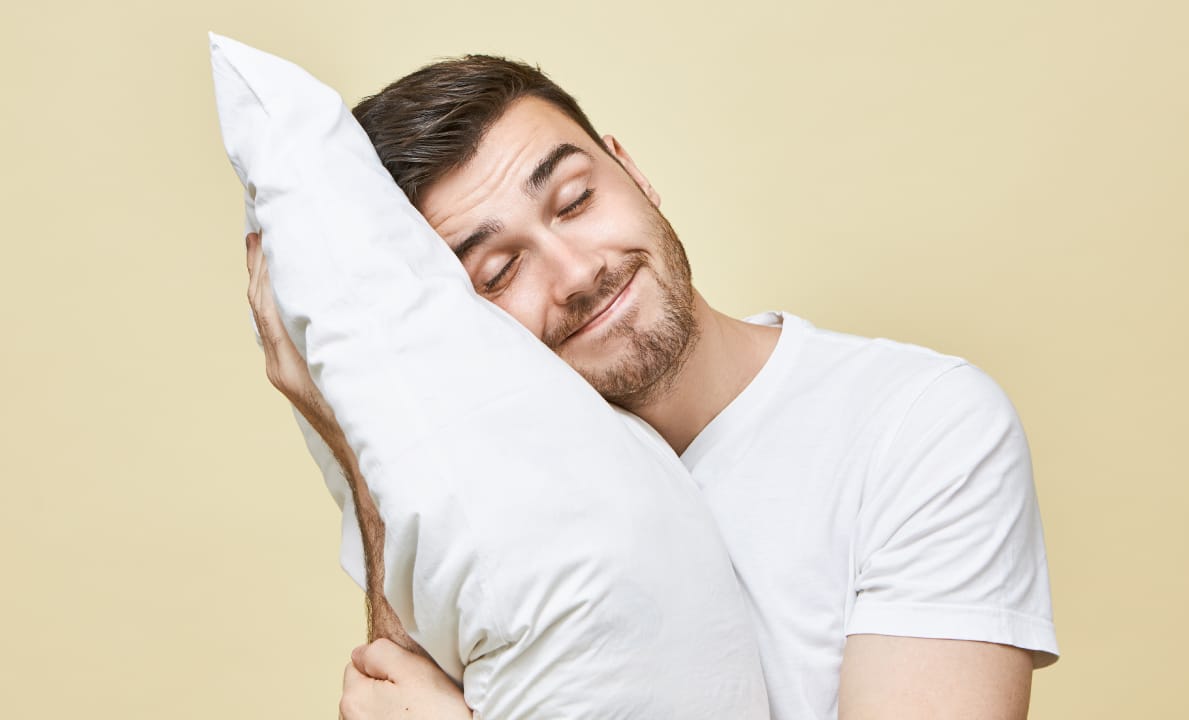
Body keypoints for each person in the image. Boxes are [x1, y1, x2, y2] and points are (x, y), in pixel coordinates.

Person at [243, 55, 1059, 720]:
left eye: (576, 200)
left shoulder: (919, 426)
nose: (576, 272)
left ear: (631, 170)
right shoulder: (506, 514)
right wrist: (361, 440)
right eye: (498, 273)